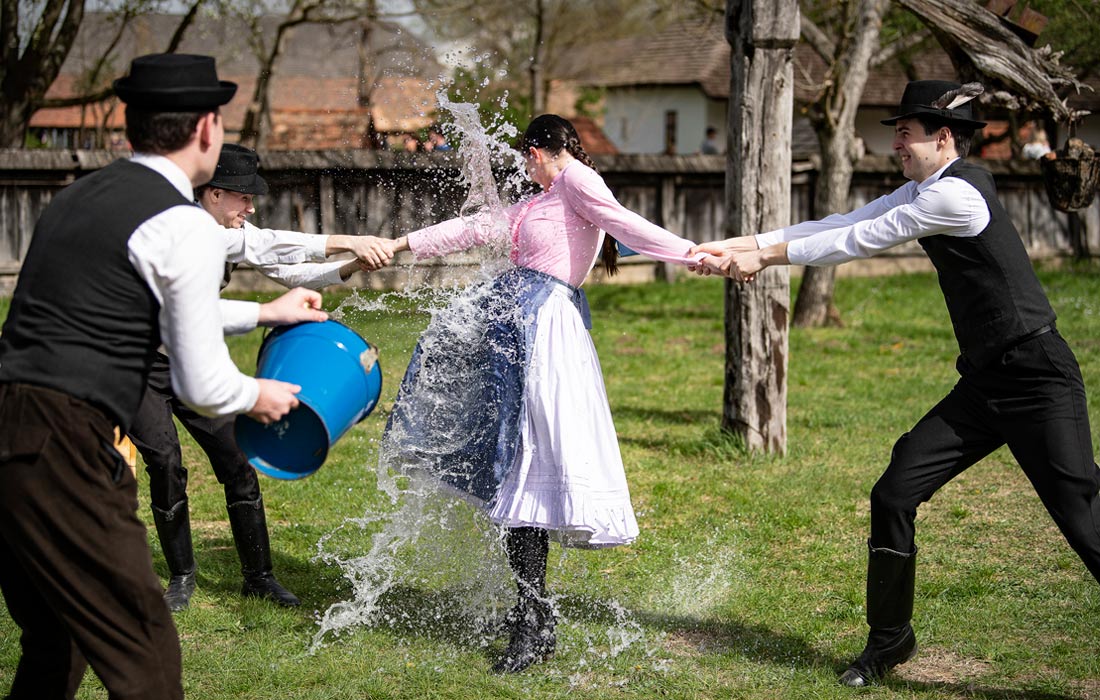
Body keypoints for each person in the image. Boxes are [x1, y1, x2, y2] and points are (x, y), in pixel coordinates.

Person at [691, 80, 1100, 687]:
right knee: (895, 491)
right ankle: (890, 642)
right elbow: (845, 218)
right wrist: (741, 244)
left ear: (942, 138)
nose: (897, 144)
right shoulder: (923, 188)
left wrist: (765, 259)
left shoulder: (957, 197)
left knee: (1083, 518)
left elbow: (859, 240)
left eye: (905, 133)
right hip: (986, 382)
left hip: (1038, 378)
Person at [0, 53, 326, 700]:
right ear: (207, 128)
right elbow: (204, 385)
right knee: (145, 656)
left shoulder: (80, 197)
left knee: (56, 643)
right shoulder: (185, 225)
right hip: (63, 443)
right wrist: (257, 394)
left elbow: (130, 308)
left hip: (11, 429)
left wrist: (263, 309)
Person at [378, 114, 720, 674]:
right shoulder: (538, 201)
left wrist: (692, 253)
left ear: (538, 151)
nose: (522, 165)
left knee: (528, 471)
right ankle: (531, 616)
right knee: (513, 474)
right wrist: (399, 244)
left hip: (547, 339)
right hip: (517, 331)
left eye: (524, 156)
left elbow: (624, 223)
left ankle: (534, 621)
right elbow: (472, 228)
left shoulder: (576, 182)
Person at [130, 142, 392, 612]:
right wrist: (348, 240)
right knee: (165, 462)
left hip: (192, 359)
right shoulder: (182, 228)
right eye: (242, 197)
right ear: (211, 194)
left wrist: (354, 264)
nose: (250, 207)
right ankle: (182, 578)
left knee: (237, 458)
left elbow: (295, 274)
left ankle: (259, 577)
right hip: (138, 365)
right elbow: (269, 241)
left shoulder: (231, 230)